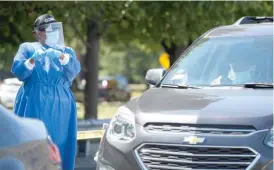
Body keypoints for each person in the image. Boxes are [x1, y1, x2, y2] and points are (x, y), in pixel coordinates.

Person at [11, 14, 81, 170]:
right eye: (44, 29)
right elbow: (19, 72)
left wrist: (62, 56)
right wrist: (31, 60)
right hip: (34, 101)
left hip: (61, 106)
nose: (48, 32)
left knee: (60, 142)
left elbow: (74, 71)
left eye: (52, 28)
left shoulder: (67, 50)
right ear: (36, 32)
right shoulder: (27, 48)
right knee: (32, 143)